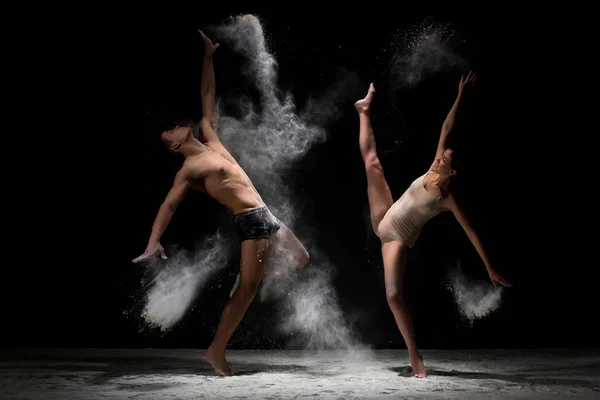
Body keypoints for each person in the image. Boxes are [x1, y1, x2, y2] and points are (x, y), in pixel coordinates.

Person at [132, 29, 309, 376]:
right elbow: (169, 206)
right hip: (252, 220)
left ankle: (248, 280)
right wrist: (154, 242)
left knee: (300, 257)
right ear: (173, 146)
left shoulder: (208, 137)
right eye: (169, 131)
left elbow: (208, 92)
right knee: (245, 293)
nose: (175, 126)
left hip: (266, 214)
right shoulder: (189, 168)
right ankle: (216, 351)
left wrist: (208, 57)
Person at [353, 72, 512, 378]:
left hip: (395, 238)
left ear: (452, 174)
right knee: (372, 163)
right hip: (384, 217)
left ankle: (415, 357)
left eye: (445, 161)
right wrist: (460, 96)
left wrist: (489, 267)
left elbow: (472, 233)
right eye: (441, 158)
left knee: (393, 296)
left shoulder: (446, 199)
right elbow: (447, 128)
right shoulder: (433, 167)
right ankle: (364, 111)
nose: (439, 160)